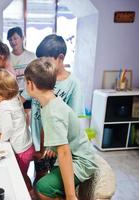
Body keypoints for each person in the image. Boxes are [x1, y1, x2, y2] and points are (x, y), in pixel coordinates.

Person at [24, 58, 97, 200]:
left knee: (42, 188)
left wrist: (70, 196)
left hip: (80, 161)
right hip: (74, 154)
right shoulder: (50, 101)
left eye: (25, 83)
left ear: (31, 85)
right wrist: (51, 147)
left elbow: (64, 152)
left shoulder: (52, 112)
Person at [20, 34, 84, 182]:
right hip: (38, 142)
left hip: (55, 146)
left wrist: (53, 146)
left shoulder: (73, 84)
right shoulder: (40, 76)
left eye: (46, 60)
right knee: (39, 178)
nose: (42, 64)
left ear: (60, 58)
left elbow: (72, 120)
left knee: (50, 183)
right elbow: (22, 98)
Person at [0, 69, 35, 194]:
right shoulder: (15, 98)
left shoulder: (3, 106)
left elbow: (8, 129)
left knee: (18, 178)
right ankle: (30, 191)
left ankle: (28, 194)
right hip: (28, 146)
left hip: (20, 151)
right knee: (23, 175)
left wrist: (2, 137)